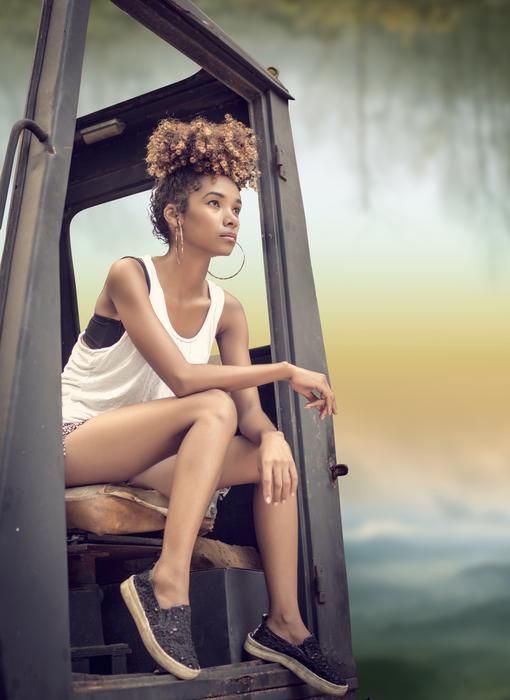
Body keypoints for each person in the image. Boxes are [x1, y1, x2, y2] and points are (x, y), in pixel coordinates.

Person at [61, 114, 348, 696]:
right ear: (175, 215)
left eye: (236, 208)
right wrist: (287, 369)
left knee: (273, 462)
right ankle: (166, 583)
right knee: (209, 405)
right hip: (73, 440)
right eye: (215, 204)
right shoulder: (128, 276)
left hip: (140, 452)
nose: (230, 218)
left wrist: (270, 436)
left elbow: (247, 411)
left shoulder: (229, 310)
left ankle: (284, 625)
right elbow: (183, 376)